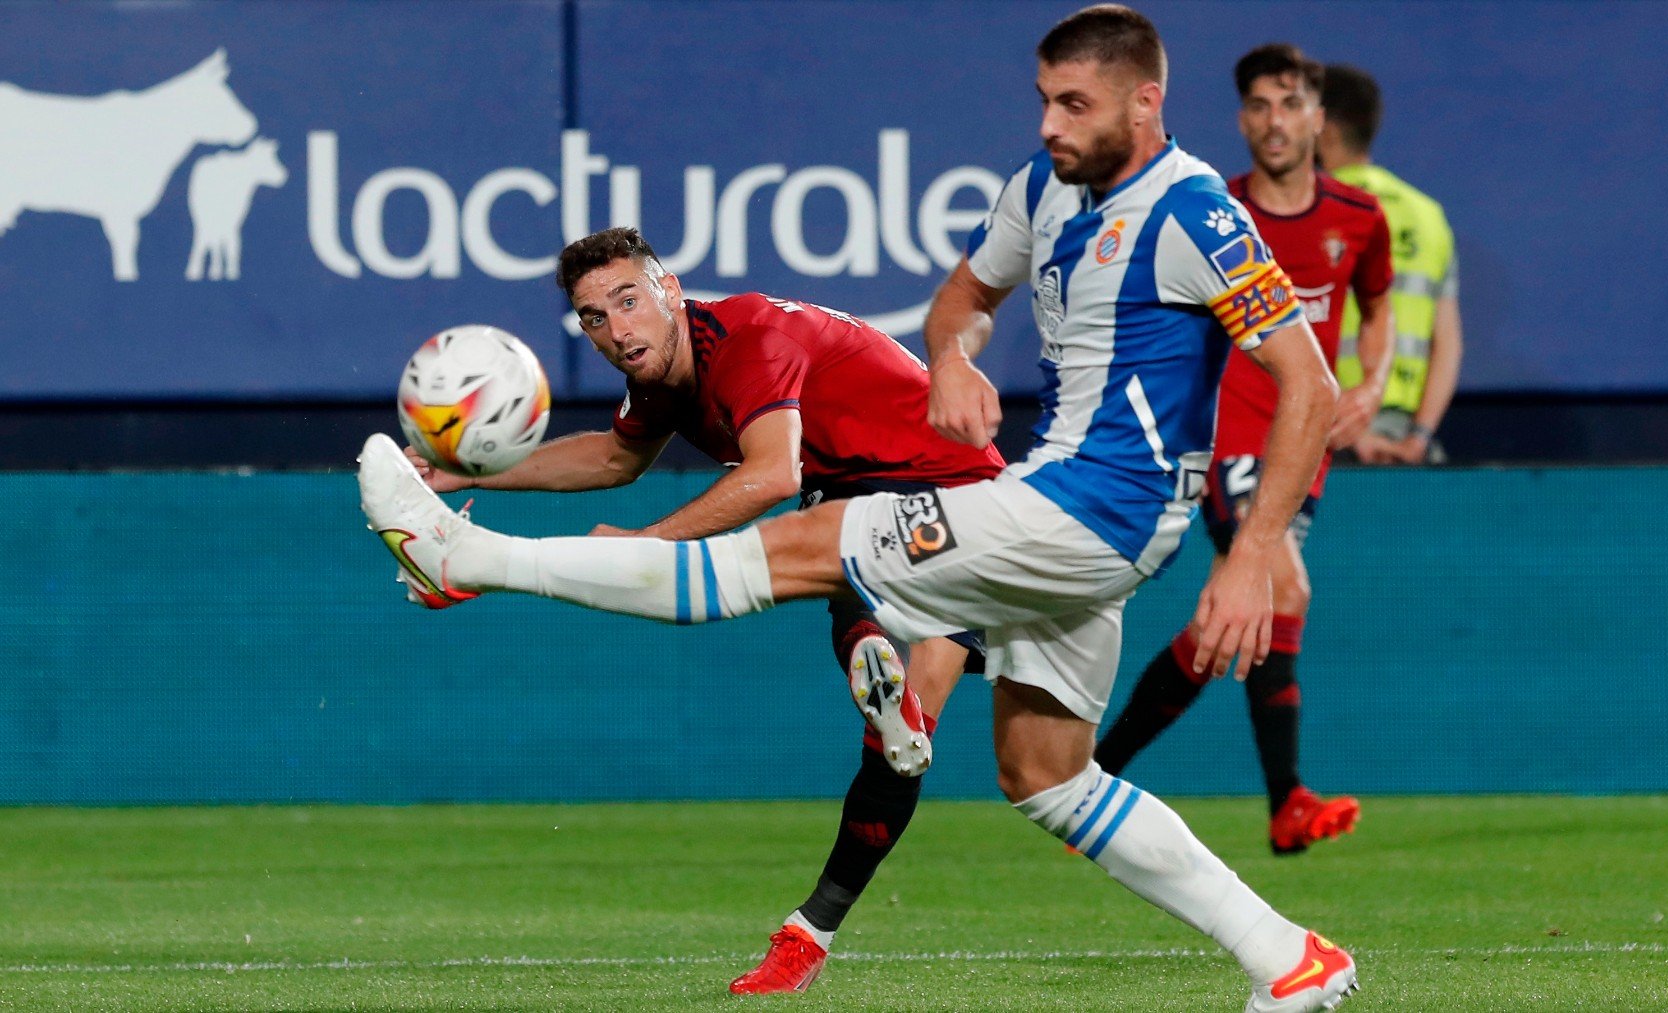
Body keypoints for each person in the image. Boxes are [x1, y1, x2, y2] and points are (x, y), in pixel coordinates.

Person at [357, 6, 1357, 1009]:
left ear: (1147, 102)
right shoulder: (1041, 190)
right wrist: (956, 356)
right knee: (1045, 772)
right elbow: (960, 297)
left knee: (787, 550)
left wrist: (1251, 554)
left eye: (1074, 103)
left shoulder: (1190, 209)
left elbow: (1307, 386)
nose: (1050, 123)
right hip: (1054, 503)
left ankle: (468, 559)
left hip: (1086, 508)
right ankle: (1289, 956)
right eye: (1044, 98)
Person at [402, 226, 1005, 994]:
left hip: (961, 496)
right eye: (594, 317)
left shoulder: (753, 337)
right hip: (888, 504)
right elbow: (616, 458)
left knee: (827, 552)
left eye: (629, 299)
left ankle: (871, 673)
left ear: (671, 290)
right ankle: (817, 907)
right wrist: (463, 471)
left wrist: (647, 549)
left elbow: (772, 474)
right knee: (905, 736)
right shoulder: (664, 372)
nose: (617, 329)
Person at [1094, 44, 1392, 857]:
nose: (1273, 121)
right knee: (1284, 582)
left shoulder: (1360, 220)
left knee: (1237, 617)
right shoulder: (1214, 210)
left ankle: (1096, 772)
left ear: (1317, 119)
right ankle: (1287, 798)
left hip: (1306, 440)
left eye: (1289, 104)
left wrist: (1374, 386)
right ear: (1241, 119)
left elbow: (1378, 309)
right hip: (1228, 432)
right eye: (1258, 106)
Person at [1319, 63, 1462, 466]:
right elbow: (1447, 344)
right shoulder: (1429, 216)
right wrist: (1418, 437)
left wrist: (1355, 432)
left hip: (1330, 436)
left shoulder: (1312, 213)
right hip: (1410, 445)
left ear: (1323, 128)